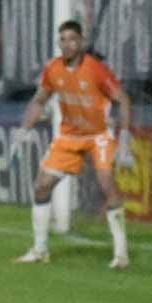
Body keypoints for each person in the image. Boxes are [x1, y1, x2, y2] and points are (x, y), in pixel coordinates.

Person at [14, 20, 132, 269]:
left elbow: (123, 99)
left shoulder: (96, 69)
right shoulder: (53, 69)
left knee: (105, 182)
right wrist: (24, 130)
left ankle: (121, 254)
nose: (67, 44)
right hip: (69, 136)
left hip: (98, 134)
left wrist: (124, 138)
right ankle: (40, 250)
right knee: (42, 186)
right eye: (63, 39)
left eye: (72, 39)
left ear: (81, 42)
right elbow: (39, 101)